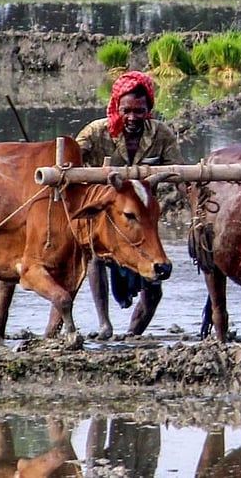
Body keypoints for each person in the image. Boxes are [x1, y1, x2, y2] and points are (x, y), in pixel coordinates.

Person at [75, 70, 184, 339]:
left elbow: (182, 174)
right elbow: (71, 162)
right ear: (116, 107)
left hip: (141, 218)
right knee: (96, 259)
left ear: (149, 109)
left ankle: (133, 335)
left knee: (156, 278)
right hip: (108, 217)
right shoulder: (96, 133)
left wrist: (194, 195)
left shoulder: (162, 135)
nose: (133, 117)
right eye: (127, 110)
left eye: (140, 110)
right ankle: (104, 324)